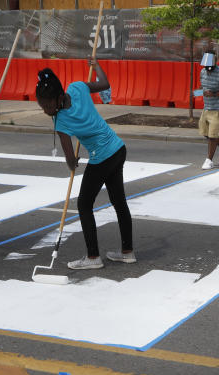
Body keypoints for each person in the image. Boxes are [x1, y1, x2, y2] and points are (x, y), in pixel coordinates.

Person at [35, 64, 135, 270]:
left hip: (103, 157)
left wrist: (72, 162)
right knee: (118, 201)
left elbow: (70, 160)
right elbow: (105, 84)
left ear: (58, 97)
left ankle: (92, 257)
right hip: (118, 148)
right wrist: (96, 65)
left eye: (47, 105)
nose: (46, 110)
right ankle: (127, 252)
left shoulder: (60, 121)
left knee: (84, 204)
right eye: (42, 106)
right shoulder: (77, 87)